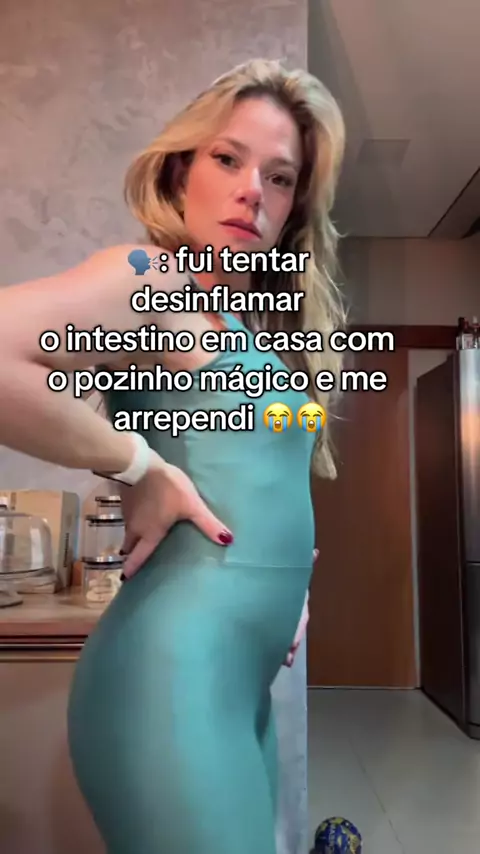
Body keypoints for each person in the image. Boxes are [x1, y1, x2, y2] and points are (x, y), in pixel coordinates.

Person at [0, 59, 346, 854]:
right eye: (228, 159)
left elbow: (255, 484)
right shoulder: (154, 282)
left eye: (280, 177)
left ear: (294, 207)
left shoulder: (244, 327)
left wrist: (285, 579)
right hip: (172, 677)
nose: (253, 190)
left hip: (241, 683)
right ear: (181, 169)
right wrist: (140, 468)